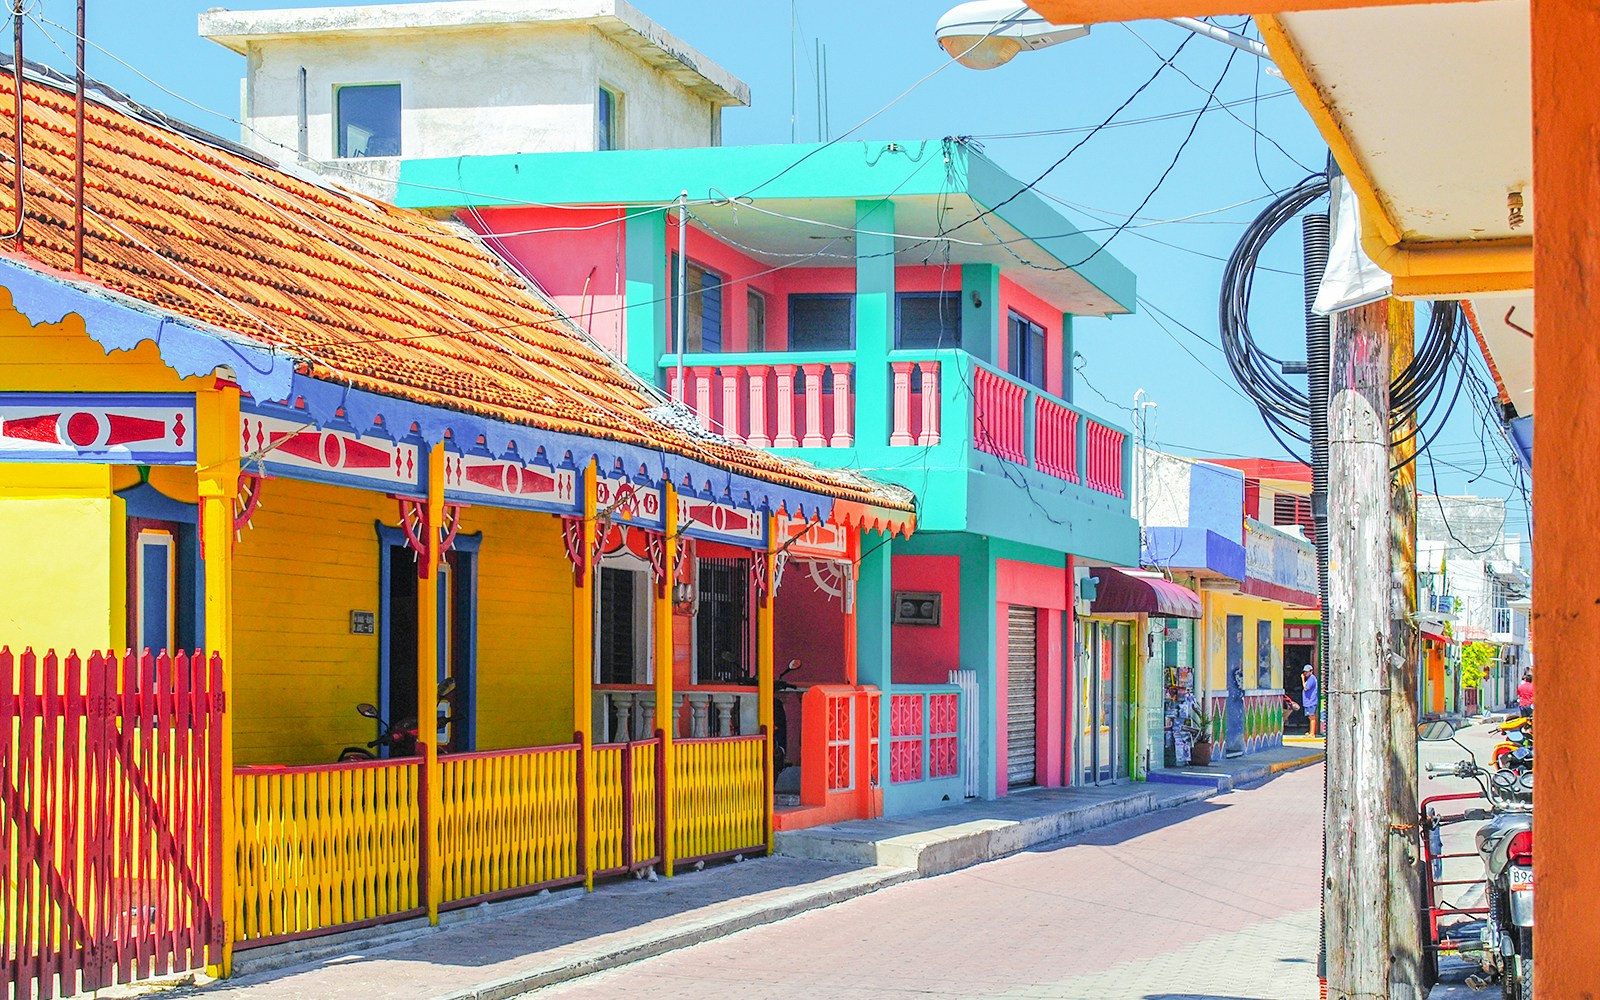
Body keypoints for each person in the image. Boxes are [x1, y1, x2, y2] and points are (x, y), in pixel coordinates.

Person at [1301, 664, 1320, 737]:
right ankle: (1310, 732)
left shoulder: (1312, 678)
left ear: (1311, 671)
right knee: (1310, 717)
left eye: (1307, 672)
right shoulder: (1309, 679)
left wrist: (1302, 679)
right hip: (1308, 701)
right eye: (1304, 672)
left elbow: (1306, 688)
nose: (1305, 673)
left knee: (1312, 717)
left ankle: (1312, 733)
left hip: (1311, 701)